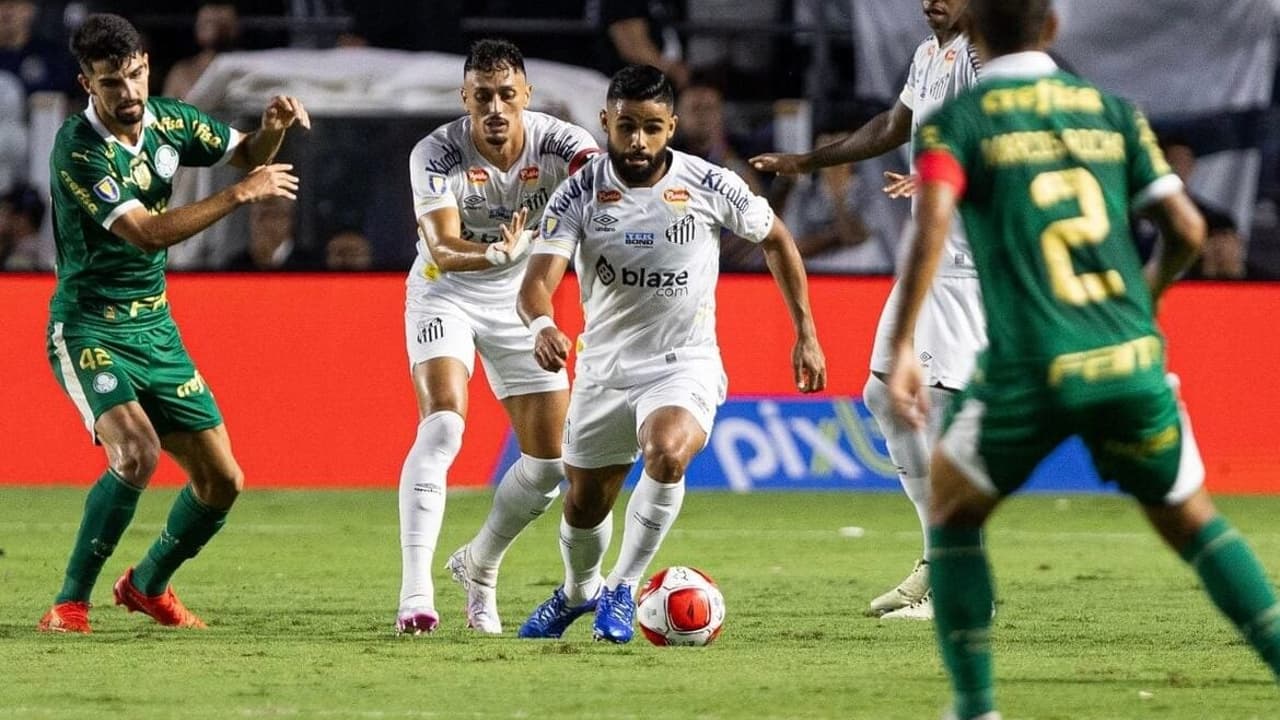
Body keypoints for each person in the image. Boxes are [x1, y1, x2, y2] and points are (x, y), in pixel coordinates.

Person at [885, 1, 1280, 717]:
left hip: (1032, 365)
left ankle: (975, 707)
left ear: (972, 31)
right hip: (1128, 357)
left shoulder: (960, 121)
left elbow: (931, 227)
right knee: (1194, 521)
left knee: (950, 509)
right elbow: (1187, 229)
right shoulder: (1114, 112)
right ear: (1055, 27)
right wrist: (1146, 299)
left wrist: (907, 342)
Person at [516, 64, 827, 644]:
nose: (638, 141)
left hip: (684, 362)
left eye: (652, 128)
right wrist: (541, 322)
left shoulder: (711, 183)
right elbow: (538, 280)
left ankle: (622, 588)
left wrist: (805, 331)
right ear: (606, 121)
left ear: (672, 126)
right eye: (626, 126)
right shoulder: (578, 193)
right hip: (604, 367)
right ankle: (578, 590)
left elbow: (777, 238)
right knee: (584, 506)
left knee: (665, 453)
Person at [36, 13, 308, 634]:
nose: (128, 93)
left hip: (155, 328)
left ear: (146, 67)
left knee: (223, 481)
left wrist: (271, 130)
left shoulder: (168, 120)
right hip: (90, 328)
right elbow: (145, 234)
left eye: (135, 75)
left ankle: (147, 584)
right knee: (136, 453)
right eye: (111, 83)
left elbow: (244, 155)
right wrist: (240, 195)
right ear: (87, 84)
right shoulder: (78, 148)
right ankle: (69, 603)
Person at [750, 0, 982, 620]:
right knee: (885, 397)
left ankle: (959, 579)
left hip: (969, 265)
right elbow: (891, 127)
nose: (932, 1)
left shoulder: (985, 57)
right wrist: (809, 161)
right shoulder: (931, 55)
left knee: (931, 413)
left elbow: (1012, 139)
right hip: (930, 263)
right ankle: (942, 561)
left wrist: (950, 175)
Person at [396, 38, 599, 636]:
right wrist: (493, 252)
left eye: (507, 94)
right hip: (445, 290)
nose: (495, 107)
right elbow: (439, 246)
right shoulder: (435, 152)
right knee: (444, 426)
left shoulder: (562, 143)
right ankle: (415, 593)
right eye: (482, 96)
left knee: (548, 464)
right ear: (465, 98)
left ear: (526, 96)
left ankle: (479, 565)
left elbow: (608, 196)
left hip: (521, 301)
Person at [161, 2, 239, 101]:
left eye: (220, 23)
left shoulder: (249, 67)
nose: (213, 28)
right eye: (206, 22)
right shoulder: (181, 72)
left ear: (235, 28)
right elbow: (166, 112)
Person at [0, 180, 52, 269]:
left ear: (22, 220)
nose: (1, 219)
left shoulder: (24, 256)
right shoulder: (12, 248)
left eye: (3, 212)